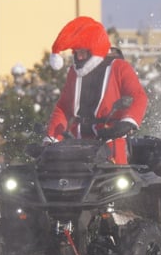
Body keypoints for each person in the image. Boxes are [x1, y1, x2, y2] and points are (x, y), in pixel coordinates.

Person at [45, 16, 147, 164]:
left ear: (94, 49)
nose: (79, 57)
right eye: (76, 52)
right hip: (77, 146)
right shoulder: (74, 73)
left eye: (83, 52)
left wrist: (127, 123)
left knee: (116, 183)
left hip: (111, 144)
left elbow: (138, 96)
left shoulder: (119, 67)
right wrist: (50, 139)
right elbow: (63, 108)